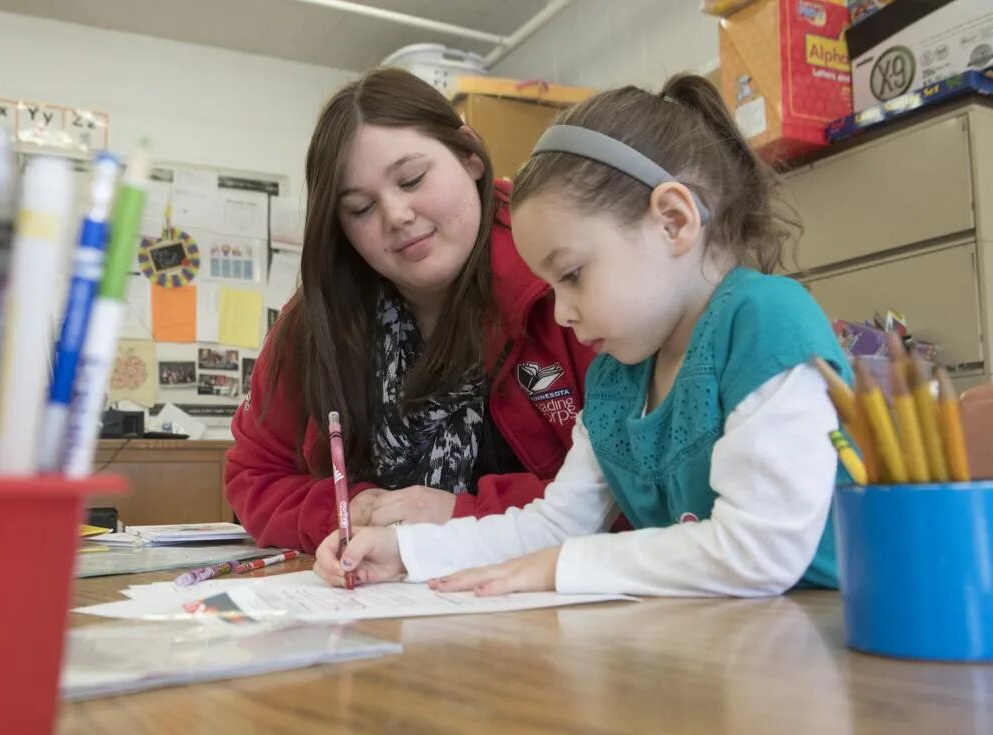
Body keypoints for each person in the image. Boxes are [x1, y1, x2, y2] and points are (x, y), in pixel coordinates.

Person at [315, 74, 850, 598]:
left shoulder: (766, 322)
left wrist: (561, 567)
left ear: (672, 221)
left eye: (571, 276)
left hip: (838, 644)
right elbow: (557, 525)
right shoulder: (619, 376)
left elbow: (759, 551)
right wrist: (407, 550)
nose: (562, 313)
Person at [226, 69, 597, 552]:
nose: (396, 216)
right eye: (360, 208)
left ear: (470, 155)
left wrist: (460, 515)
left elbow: (630, 491)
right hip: (379, 603)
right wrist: (348, 510)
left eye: (413, 179)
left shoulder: (562, 276)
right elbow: (255, 476)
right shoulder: (319, 318)